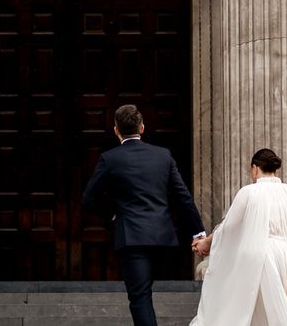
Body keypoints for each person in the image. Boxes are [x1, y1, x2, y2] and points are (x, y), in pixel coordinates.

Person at [83, 104, 205, 326]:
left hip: (132, 238)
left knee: (140, 297)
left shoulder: (109, 158)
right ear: (142, 128)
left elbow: (89, 198)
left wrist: (112, 214)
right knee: (145, 294)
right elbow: (183, 197)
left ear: (116, 130)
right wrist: (198, 232)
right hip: (163, 237)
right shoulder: (163, 156)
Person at [190, 148, 287, 326]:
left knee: (262, 310)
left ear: (254, 168)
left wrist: (206, 242)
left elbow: (229, 227)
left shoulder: (248, 192)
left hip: (262, 257)